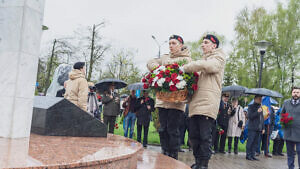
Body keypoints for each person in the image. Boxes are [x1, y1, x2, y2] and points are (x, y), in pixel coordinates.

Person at [181, 34, 226, 169]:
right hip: (195, 103)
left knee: (204, 136)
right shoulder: (202, 61)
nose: (202, 45)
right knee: (194, 136)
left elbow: (210, 66)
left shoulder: (219, 57)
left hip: (207, 103)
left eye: (206, 42)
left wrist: (188, 66)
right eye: (202, 42)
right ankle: (198, 161)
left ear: (214, 45)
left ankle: (204, 164)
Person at [147, 34, 192, 159]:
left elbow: (189, 77)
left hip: (176, 102)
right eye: (170, 43)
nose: (171, 46)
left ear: (181, 45)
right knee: (162, 129)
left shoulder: (187, 59)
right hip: (162, 101)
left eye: (174, 43)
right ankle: (164, 153)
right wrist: (159, 69)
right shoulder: (164, 57)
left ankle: (173, 156)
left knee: (172, 130)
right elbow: (150, 62)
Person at [282, 86, 300, 169]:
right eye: (294, 92)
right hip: (288, 132)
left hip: (299, 132)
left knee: (299, 151)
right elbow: (281, 114)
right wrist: (283, 120)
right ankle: (290, 167)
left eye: (297, 92)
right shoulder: (286, 102)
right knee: (290, 153)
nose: (295, 94)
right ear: (291, 93)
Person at [246, 95, 265, 161]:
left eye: (261, 99)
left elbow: (262, 118)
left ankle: (252, 155)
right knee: (250, 142)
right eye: (259, 99)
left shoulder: (260, 107)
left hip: (259, 128)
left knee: (256, 143)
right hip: (252, 128)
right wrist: (257, 112)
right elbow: (250, 116)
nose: (261, 100)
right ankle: (248, 155)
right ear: (255, 99)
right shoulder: (251, 107)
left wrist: (263, 128)